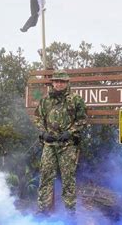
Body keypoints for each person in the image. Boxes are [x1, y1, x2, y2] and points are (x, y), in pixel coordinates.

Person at [35, 69, 87, 215]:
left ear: (67, 82)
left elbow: (82, 120)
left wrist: (69, 133)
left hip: (67, 146)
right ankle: (42, 211)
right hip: (49, 145)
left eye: (62, 81)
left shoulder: (75, 99)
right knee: (45, 177)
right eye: (56, 81)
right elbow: (38, 118)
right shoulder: (45, 100)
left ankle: (70, 213)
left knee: (68, 179)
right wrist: (43, 133)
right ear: (53, 83)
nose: (58, 84)